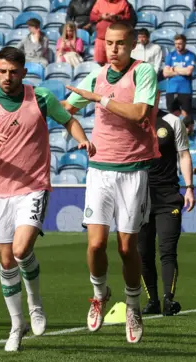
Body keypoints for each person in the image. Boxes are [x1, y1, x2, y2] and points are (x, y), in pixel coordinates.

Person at [0, 46, 94, 351]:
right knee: (5, 259)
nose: (7, 77)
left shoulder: (40, 98)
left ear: (24, 72)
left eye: (13, 72)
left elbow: (68, 120)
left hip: (34, 187)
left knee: (21, 249)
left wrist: (82, 139)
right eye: (2, 71)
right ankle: (16, 324)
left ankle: (35, 305)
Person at [63, 22, 160, 344]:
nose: (115, 49)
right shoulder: (97, 76)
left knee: (126, 246)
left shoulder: (143, 72)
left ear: (132, 44)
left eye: (121, 43)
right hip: (100, 169)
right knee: (95, 244)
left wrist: (99, 99)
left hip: (133, 170)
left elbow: (138, 112)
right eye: (110, 43)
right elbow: (66, 109)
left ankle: (133, 306)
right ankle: (99, 293)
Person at [139, 109, 195, 317]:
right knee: (143, 253)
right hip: (139, 198)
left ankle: (168, 300)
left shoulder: (172, 122)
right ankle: (152, 301)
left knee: (167, 250)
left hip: (168, 196)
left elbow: (183, 154)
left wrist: (189, 187)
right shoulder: (131, 119)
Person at [163, 34, 196, 122]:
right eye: (176, 43)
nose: (177, 46)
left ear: (185, 43)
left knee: (185, 115)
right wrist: (182, 71)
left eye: (180, 43)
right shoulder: (170, 55)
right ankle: (175, 133)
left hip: (185, 89)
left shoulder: (191, 55)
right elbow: (165, 73)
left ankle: (186, 132)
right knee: (173, 114)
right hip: (171, 89)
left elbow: (188, 72)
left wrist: (174, 68)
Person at [90, 0, 130, 65]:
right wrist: (101, 16)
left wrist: (117, 17)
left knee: (114, 63)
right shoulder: (99, 1)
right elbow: (92, 16)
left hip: (115, 40)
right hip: (101, 38)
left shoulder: (123, 2)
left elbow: (128, 18)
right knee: (99, 63)